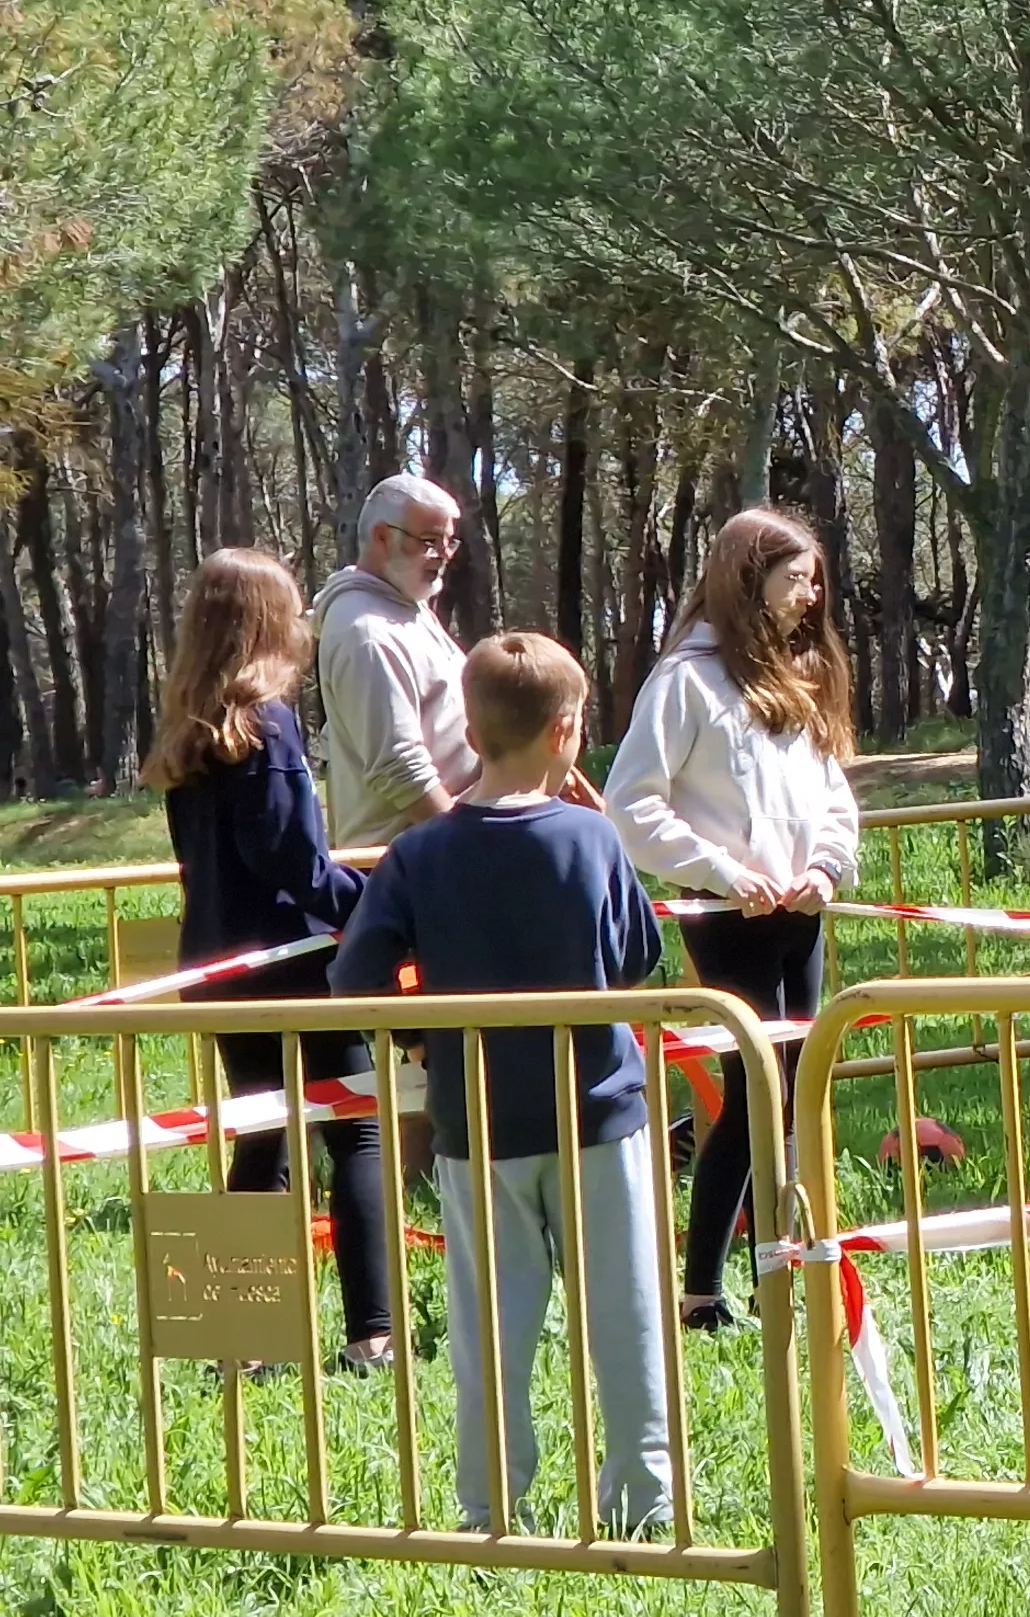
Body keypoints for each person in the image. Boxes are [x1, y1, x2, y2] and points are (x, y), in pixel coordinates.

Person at [330, 634, 673, 1534]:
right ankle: (645, 1504)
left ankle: (488, 1509)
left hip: (476, 1122)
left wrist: (420, 1042)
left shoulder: (418, 853)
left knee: (491, 1330)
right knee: (628, 1317)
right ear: (568, 732)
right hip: (597, 1113)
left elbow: (351, 980)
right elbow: (639, 955)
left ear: (471, 733)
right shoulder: (591, 836)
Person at [605, 507, 861, 1332]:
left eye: (816, 579)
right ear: (749, 579)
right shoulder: (685, 680)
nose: (812, 595)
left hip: (802, 917)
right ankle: (704, 1291)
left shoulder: (803, 673)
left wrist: (826, 866)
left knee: (793, 1095)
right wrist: (722, 873)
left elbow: (834, 797)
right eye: (797, 578)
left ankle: (776, 1273)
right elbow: (630, 806)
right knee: (758, 1098)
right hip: (727, 919)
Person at [148, 547, 392, 1372]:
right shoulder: (270, 725)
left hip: (217, 967)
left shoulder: (189, 731)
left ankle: (245, 1344)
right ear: (268, 624)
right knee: (355, 1135)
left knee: (261, 1136)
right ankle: (372, 1334)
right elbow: (292, 860)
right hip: (296, 961)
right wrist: (379, 908)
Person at [312, 474, 484, 848]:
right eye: (428, 541)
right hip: (404, 869)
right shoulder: (367, 631)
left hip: (432, 857)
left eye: (447, 541)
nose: (443, 554)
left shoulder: (407, 607)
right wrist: (469, 850)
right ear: (381, 536)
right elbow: (400, 768)